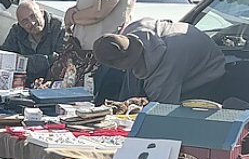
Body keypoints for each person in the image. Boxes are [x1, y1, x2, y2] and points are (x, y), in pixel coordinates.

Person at [94, 18, 227, 104]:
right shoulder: (134, 30)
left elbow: (161, 109)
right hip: (186, 52)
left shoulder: (166, 66)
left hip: (209, 73)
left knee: (173, 116)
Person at [3, 1, 65, 86]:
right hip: (23, 85)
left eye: (33, 16)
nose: (32, 23)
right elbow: (4, 57)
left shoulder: (59, 28)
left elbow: (61, 60)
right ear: (20, 25)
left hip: (52, 84)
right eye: (25, 22)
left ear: (42, 13)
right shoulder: (17, 31)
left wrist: (23, 61)